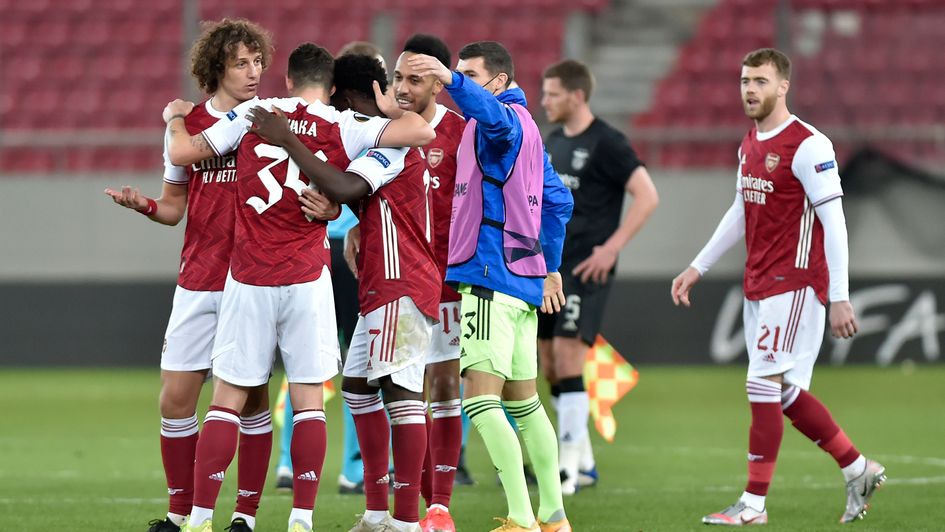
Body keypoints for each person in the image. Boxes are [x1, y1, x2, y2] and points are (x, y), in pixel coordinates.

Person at [164, 43, 434, 532]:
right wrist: (392, 108)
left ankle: (200, 518)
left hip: (248, 276)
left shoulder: (252, 112)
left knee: (227, 399)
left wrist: (175, 118)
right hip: (308, 277)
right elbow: (421, 130)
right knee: (310, 400)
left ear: (285, 81)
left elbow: (182, 153)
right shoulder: (344, 124)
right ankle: (301, 521)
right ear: (331, 88)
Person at [670, 48, 886, 526]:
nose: (750, 89)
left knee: (760, 382)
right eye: (745, 81)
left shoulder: (809, 145)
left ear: (783, 86)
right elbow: (739, 210)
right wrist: (698, 267)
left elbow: (835, 223)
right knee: (783, 392)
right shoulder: (749, 142)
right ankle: (858, 468)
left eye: (761, 82)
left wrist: (840, 296)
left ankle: (753, 505)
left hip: (796, 283)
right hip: (760, 283)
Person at [251, 52, 440, 532]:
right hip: (381, 285)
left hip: (402, 283)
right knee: (356, 387)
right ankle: (377, 510)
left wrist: (288, 140)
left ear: (348, 96)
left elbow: (345, 184)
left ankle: (406, 519)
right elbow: (356, 198)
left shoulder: (388, 147)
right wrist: (335, 215)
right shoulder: (379, 143)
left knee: (402, 393)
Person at [105, 18, 275, 532]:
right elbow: (175, 207)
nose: (253, 72)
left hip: (253, 280)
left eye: (257, 61)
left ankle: (243, 517)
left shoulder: (268, 123)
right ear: (215, 68)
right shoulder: (189, 123)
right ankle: (179, 513)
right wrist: (145, 205)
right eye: (240, 63)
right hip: (199, 277)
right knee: (175, 399)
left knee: (252, 399)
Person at [408, 42, 574, 532]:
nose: (457, 81)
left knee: (480, 402)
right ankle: (553, 515)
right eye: (456, 73)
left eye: (470, 74)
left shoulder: (498, 123)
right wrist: (549, 266)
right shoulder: (531, 130)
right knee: (525, 404)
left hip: (487, 277)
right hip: (521, 283)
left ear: (499, 82)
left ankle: (521, 519)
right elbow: (559, 202)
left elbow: (487, 114)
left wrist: (449, 81)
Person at [538, 59, 659, 495]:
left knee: (569, 361)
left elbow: (647, 195)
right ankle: (584, 462)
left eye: (552, 94)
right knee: (549, 365)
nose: (544, 101)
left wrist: (611, 249)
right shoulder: (552, 142)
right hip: (551, 268)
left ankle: (566, 470)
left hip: (585, 269)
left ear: (576, 96)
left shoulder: (608, 142)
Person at [384, 33, 466, 532]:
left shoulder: (462, 132)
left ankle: (439, 504)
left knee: (444, 383)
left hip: (450, 281)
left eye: (414, 78)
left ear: (438, 82)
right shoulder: (388, 129)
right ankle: (404, 502)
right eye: (398, 77)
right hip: (399, 280)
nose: (403, 88)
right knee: (401, 388)